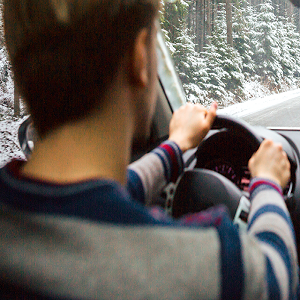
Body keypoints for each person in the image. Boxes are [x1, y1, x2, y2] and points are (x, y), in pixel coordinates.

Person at [0, 0, 298, 299]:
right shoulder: (203, 265)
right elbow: (276, 275)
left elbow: (104, 194)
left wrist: (175, 146)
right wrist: (267, 182)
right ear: (139, 56)